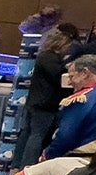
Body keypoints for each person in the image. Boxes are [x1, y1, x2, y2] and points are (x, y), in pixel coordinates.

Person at [14, 23, 76, 166]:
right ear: (62, 45)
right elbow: (57, 77)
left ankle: (17, 165)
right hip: (45, 103)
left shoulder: (43, 56)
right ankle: (27, 165)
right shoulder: (51, 58)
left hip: (34, 100)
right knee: (37, 136)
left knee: (26, 133)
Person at [47, 53, 96, 157]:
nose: (70, 82)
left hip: (77, 161)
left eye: (72, 76)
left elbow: (65, 137)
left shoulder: (80, 99)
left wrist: (47, 155)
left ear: (85, 73)